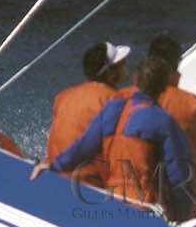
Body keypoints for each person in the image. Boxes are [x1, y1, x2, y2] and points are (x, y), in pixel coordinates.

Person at [34, 55, 196, 220]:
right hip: (143, 205)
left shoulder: (113, 108)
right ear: (164, 87)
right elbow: (179, 174)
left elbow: (84, 147)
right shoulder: (163, 121)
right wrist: (183, 215)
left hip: (111, 200)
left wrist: (55, 165)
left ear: (136, 79)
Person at [132, 35, 196, 215]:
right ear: (176, 65)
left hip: (127, 206)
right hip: (177, 212)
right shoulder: (190, 105)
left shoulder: (124, 100)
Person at [44, 42, 132, 188]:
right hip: (89, 183)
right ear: (110, 74)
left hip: (56, 173)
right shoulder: (116, 102)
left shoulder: (63, 96)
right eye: (123, 64)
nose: (126, 67)